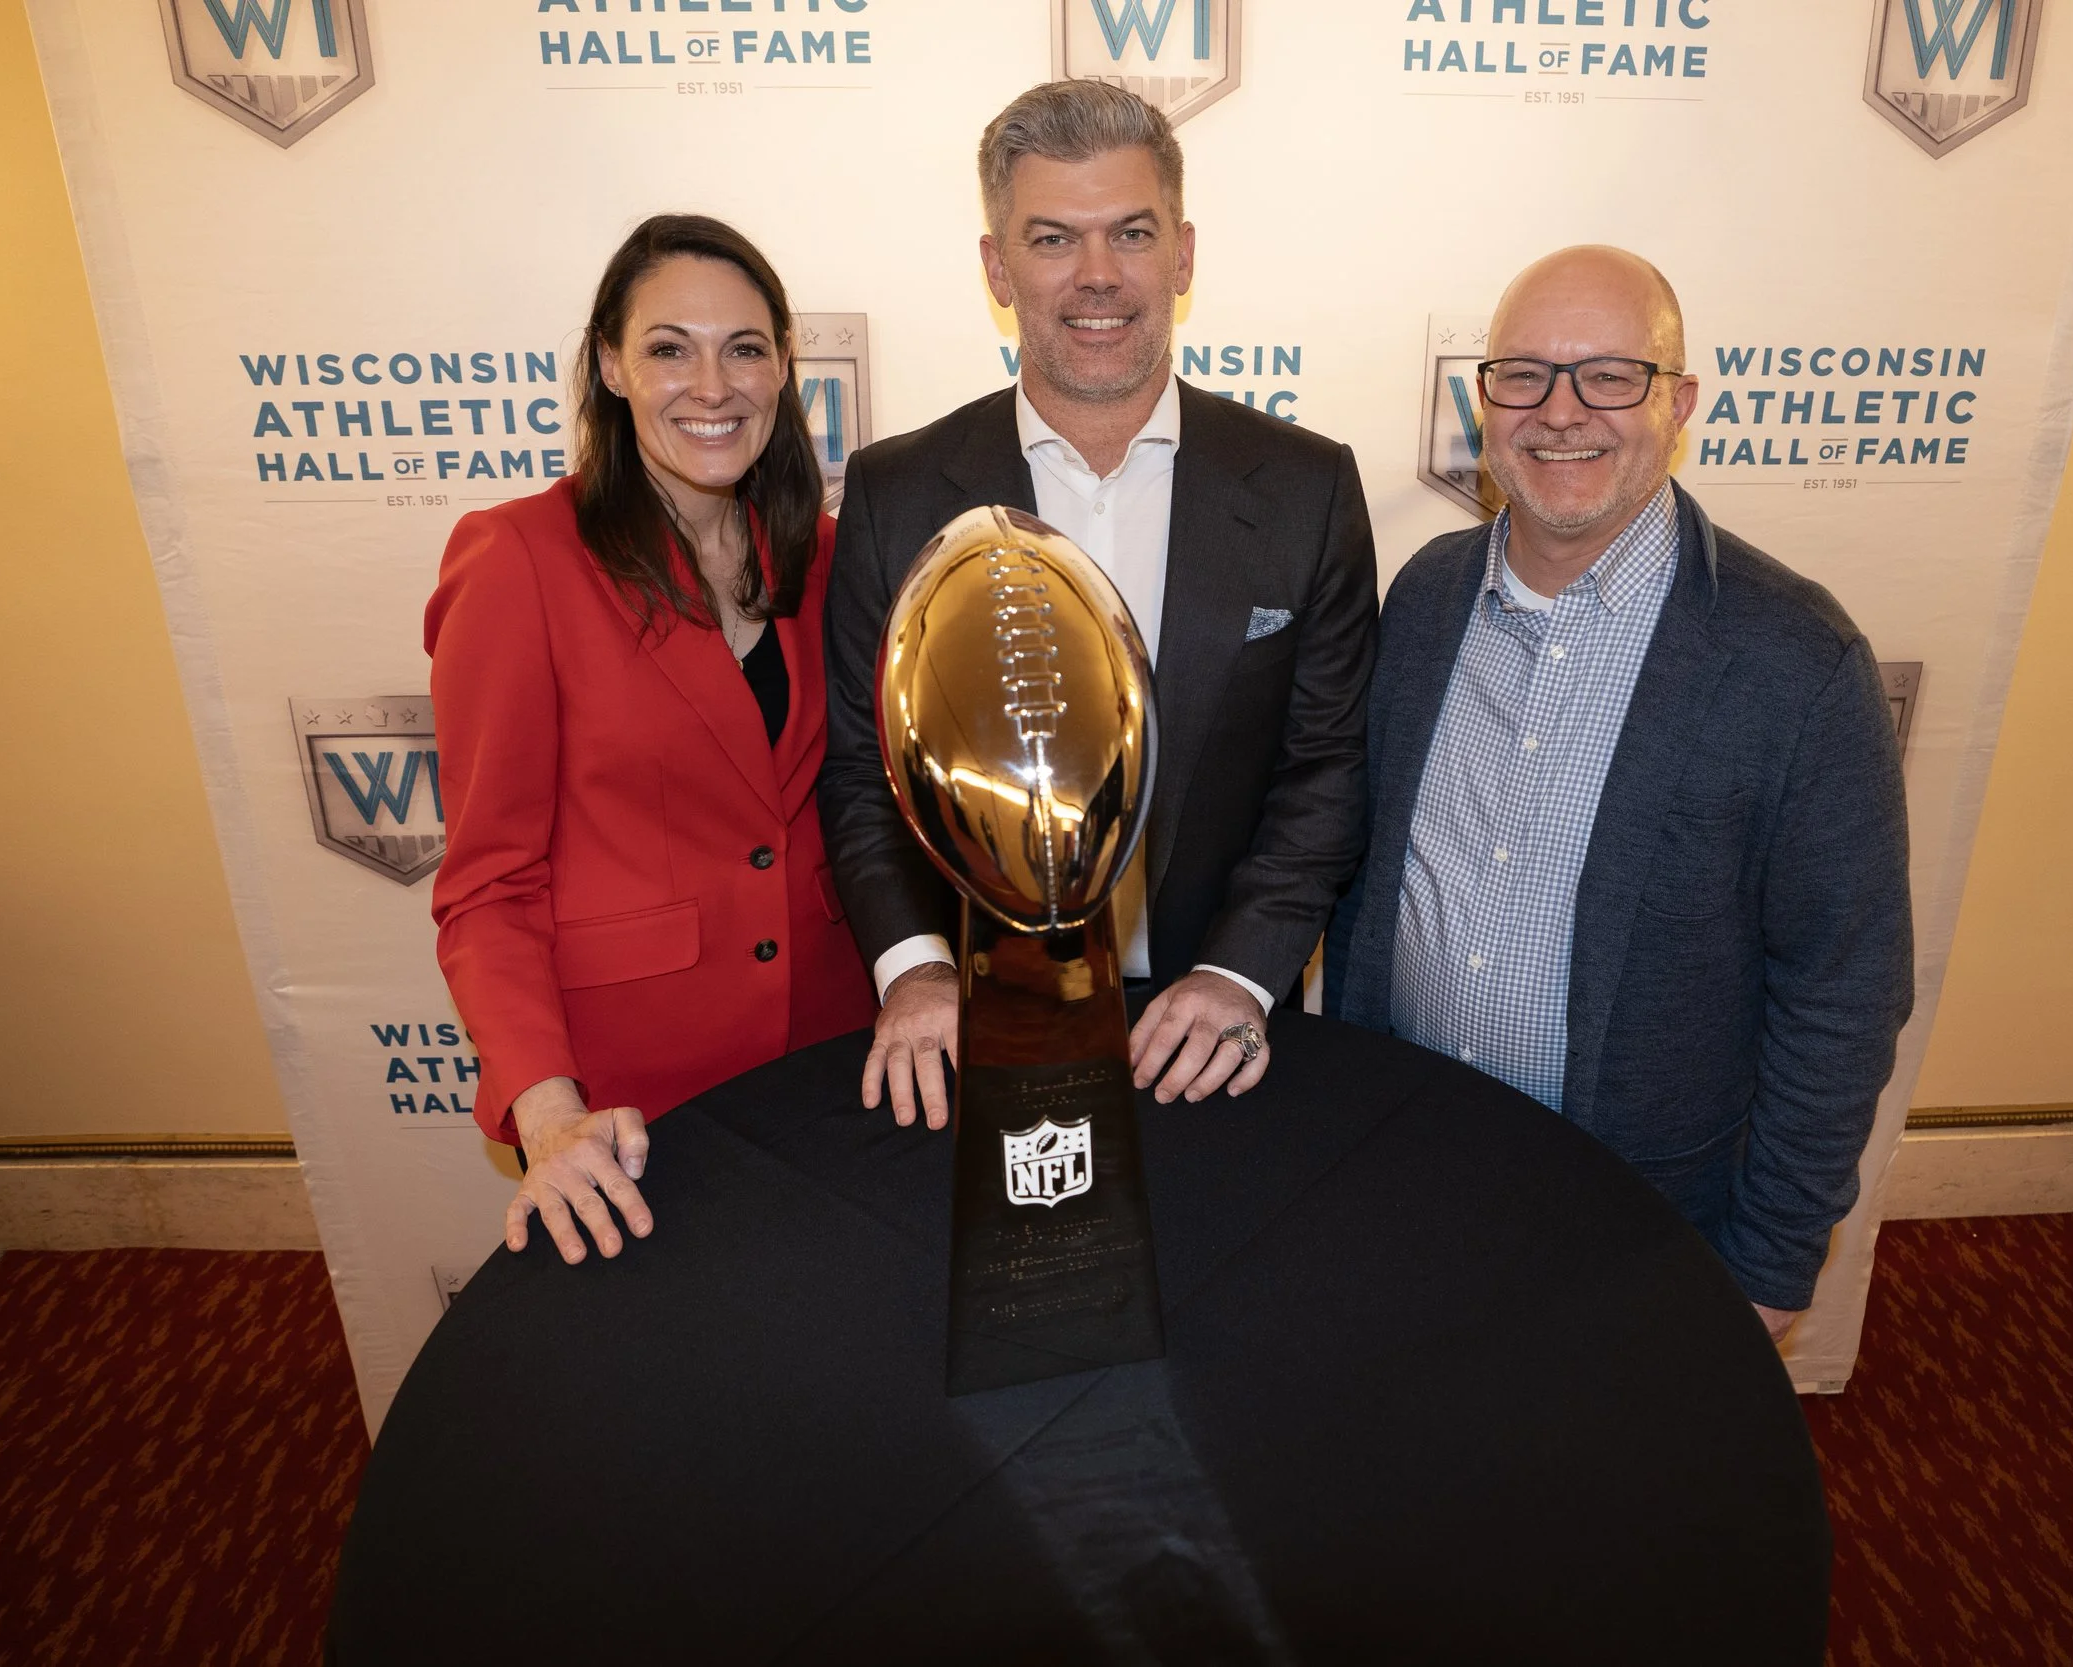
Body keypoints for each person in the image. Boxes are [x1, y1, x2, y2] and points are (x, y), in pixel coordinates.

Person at [1325, 247, 1915, 1341]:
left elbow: (1843, 986)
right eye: (1525, 375)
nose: (1561, 413)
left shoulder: (1795, 661)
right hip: (1400, 1160)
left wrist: (1775, 1257)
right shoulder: (1424, 596)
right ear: (1483, 399)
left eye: (1609, 374)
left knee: (1598, 1492)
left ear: (1678, 402)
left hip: (1637, 1213)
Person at [821, 80, 1377, 1128]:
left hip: (1220, 1032)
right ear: (996, 266)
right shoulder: (896, 494)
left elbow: (1325, 771)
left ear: (1184, 253)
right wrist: (915, 971)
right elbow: (861, 772)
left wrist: (1241, 975)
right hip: (975, 1037)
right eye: (1051, 239)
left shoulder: (1307, 487)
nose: (1097, 276)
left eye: (1131, 231)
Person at [428, 215, 874, 1265]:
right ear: (611, 365)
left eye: (746, 348)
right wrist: (549, 1116)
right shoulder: (518, 561)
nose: (711, 384)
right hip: (631, 1107)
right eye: (670, 347)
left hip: (835, 1056)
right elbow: (488, 884)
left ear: (782, 372)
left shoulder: (827, 556)